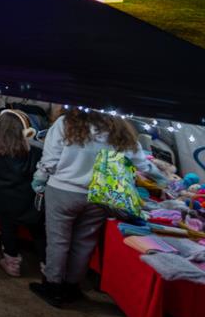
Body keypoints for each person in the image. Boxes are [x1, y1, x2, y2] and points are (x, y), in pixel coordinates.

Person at [30, 109, 156, 306]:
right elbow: (142, 164)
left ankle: (53, 287)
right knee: (84, 243)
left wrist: (40, 178)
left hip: (63, 190)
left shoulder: (66, 122)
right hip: (99, 194)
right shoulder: (119, 129)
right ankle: (72, 287)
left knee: (58, 242)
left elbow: (50, 160)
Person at [0, 110, 43, 277]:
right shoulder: (35, 150)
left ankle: (12, 264)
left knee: (8, 230)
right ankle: (48, 266)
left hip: (3, 199)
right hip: (30, 199)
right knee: (39, 232)